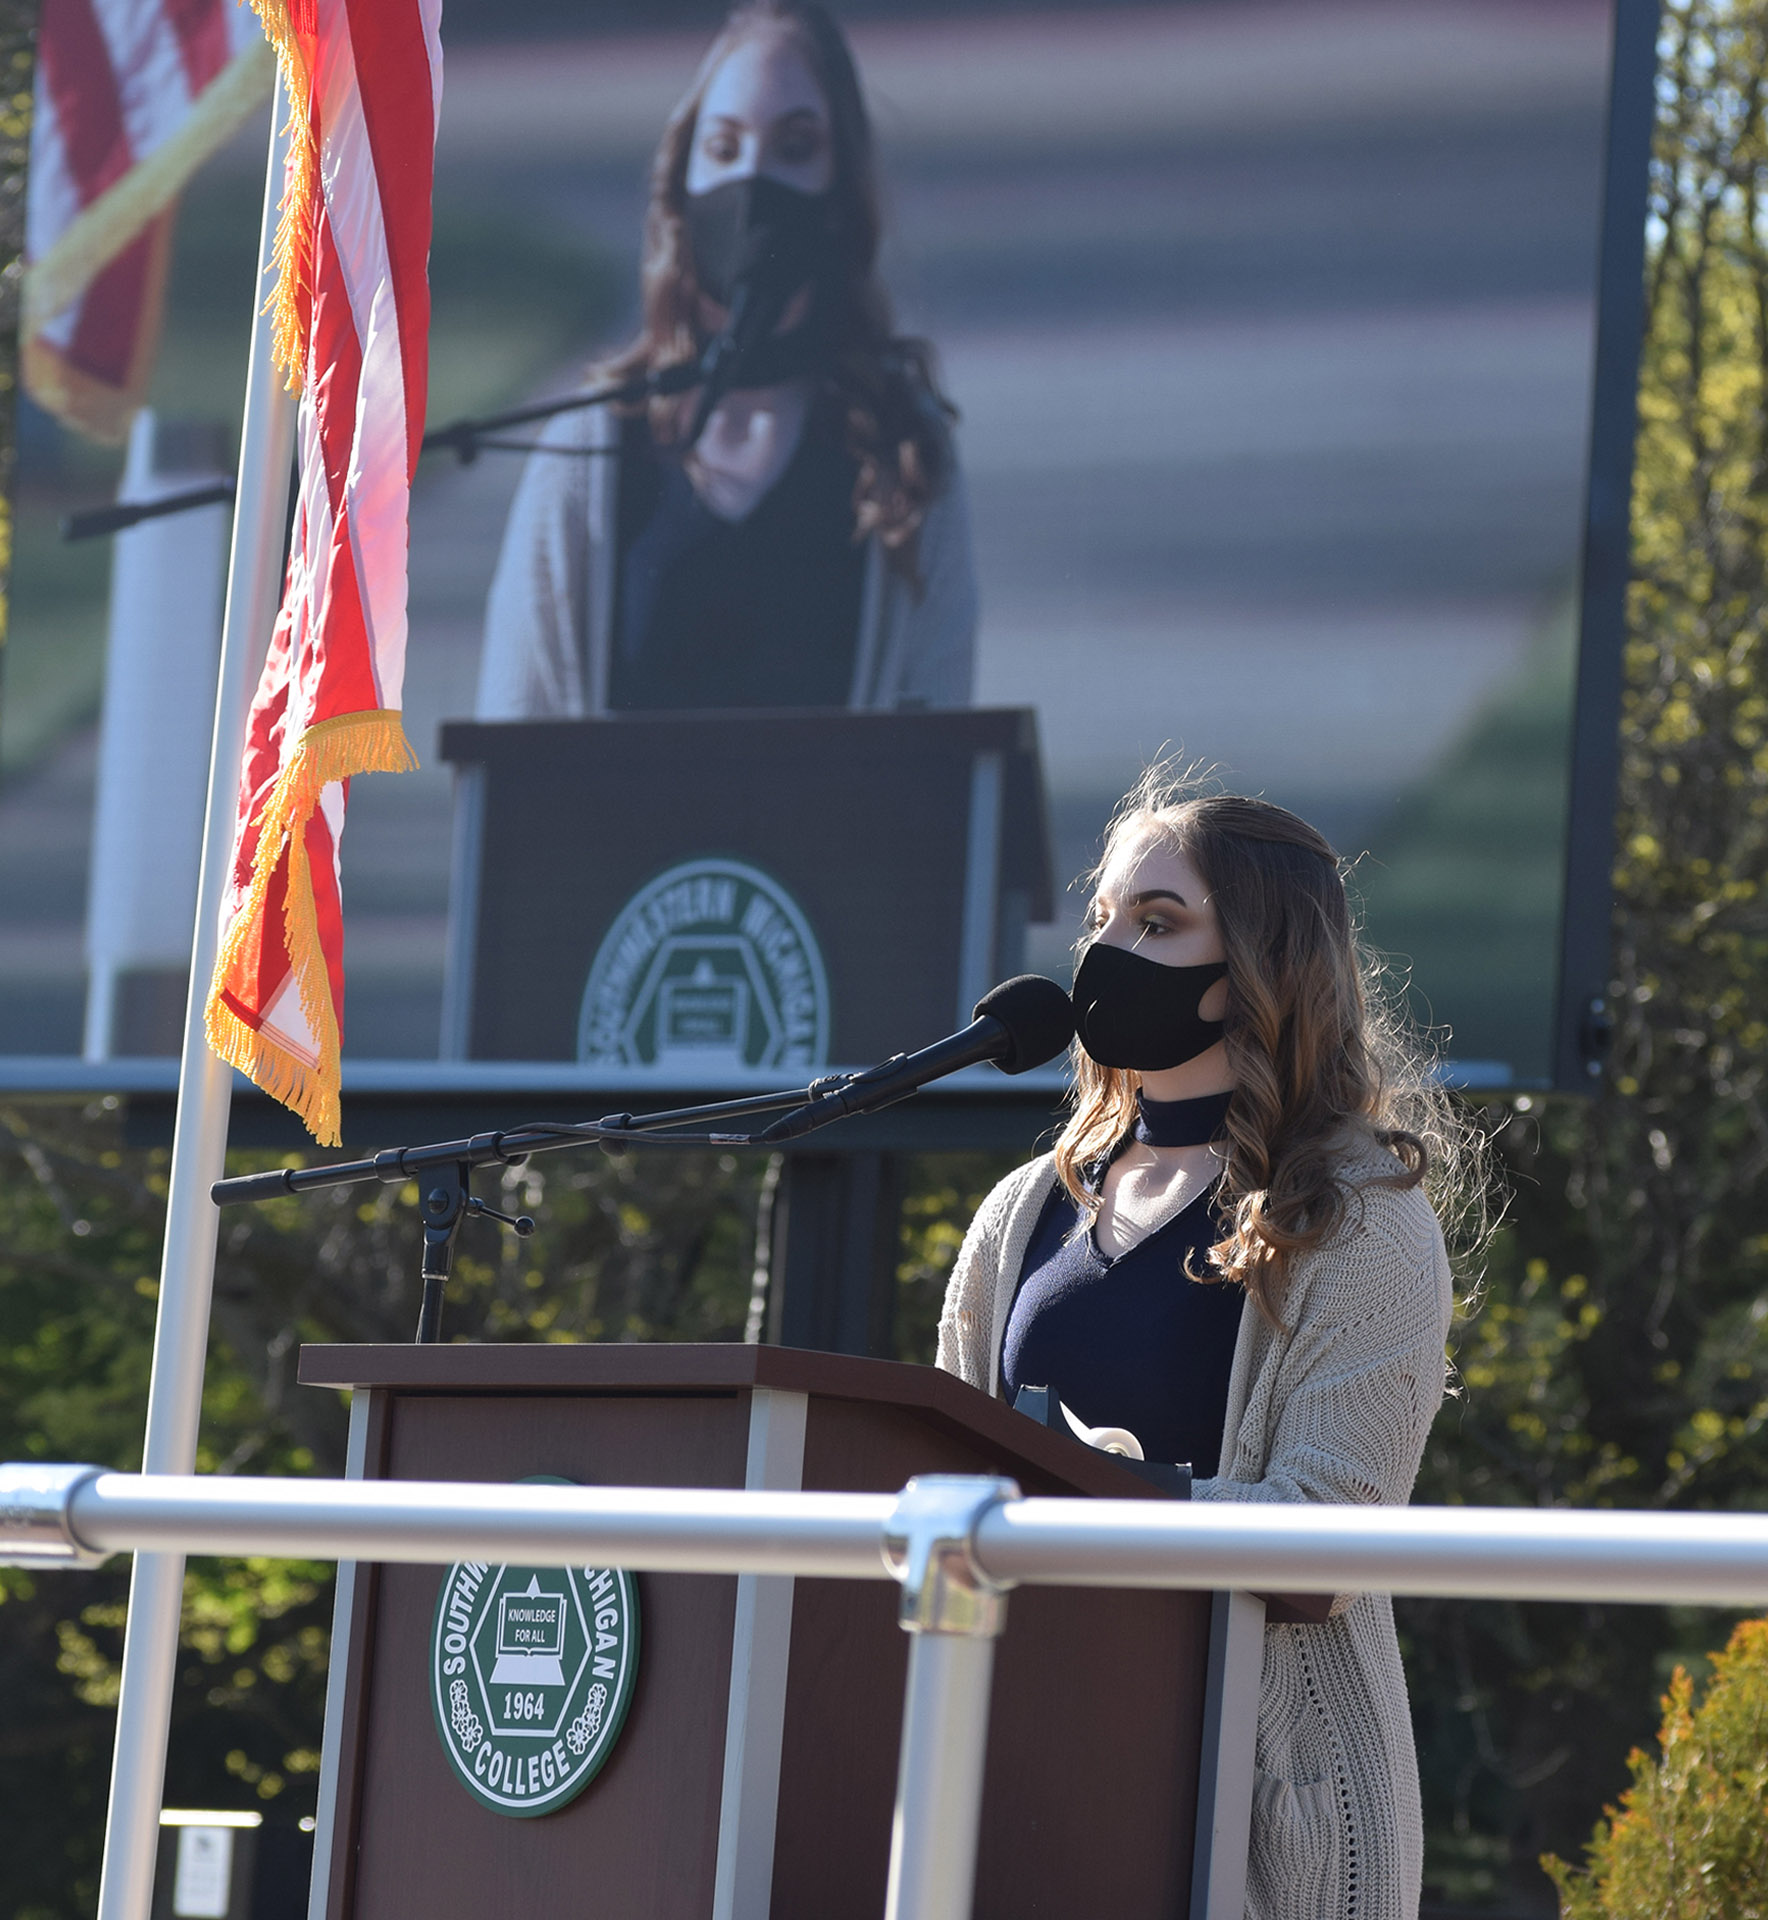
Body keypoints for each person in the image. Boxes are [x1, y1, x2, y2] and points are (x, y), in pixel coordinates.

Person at [936, 774, 1477, 1920]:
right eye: (1104, 921)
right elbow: (941, 1481)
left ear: (1266, 965)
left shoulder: (1362, 1214)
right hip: (1018, 1777)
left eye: (1159, 922)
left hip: (1251, 1816)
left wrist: (1112, 1489)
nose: (1108, 953)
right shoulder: (1023, 1212)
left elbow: (1329, 1545)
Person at [476, 0, 975, 719]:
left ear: (840, 191)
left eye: (795, 148)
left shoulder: (907, 454)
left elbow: (946, 766)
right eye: (725, 147)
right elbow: (512, 752)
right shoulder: (593, 450)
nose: (753, 180)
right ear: (682, 184)